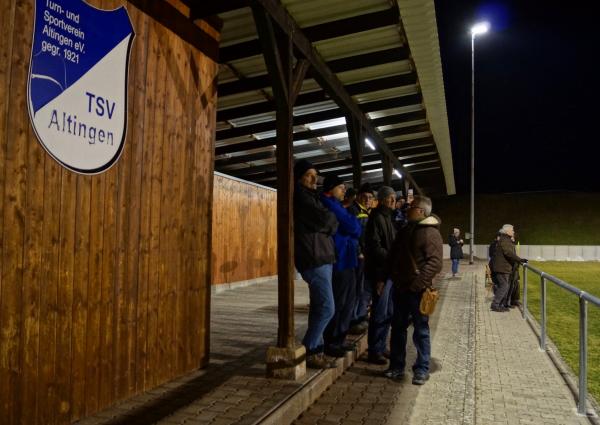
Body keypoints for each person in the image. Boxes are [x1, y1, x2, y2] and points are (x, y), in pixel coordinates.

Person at [385, 195, 443, 385]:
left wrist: (417, 284)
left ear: (420, 211)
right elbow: (395, 255)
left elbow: (435, 263)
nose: (407, 209)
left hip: (416, 291)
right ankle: (396, 367)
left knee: (421, 330)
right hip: (401, 288)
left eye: (411, 207)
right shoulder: (406, 229)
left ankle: (422, 368)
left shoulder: (429, 232)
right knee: (398, 329)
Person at [293, 159, 338, 369]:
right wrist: (329, 223)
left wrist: (329, 222)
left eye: (315, 175)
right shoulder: (302, 198)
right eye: (309, 175)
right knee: (328, 307)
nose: (314, 179)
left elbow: (331, 220)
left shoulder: (313, 197)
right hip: (314, 257)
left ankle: (317, 351)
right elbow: (327, 220)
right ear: (299, 177)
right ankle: (309, 347)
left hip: (322, 256)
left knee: (319, 307)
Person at [319, 175, 362, 358]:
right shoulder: (328, 203)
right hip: (340, 260)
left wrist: (352, 226)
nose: (344, 191)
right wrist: (352, 226)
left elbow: (355, 227)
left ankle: (340, 338)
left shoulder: (336, 204)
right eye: (341, 187)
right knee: (339, 301)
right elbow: (353, 227)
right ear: (331, 188)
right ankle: (332, 340)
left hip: (349, 258)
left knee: (348, 301)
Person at [364, 186, 397, 364]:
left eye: (394, 198)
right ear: (383, 200)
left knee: (388, 313)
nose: (393, 201)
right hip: (380, 273)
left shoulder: (388, 218)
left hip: (388, 272)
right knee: (379, 312)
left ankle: (381, 346)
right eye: (390, 198)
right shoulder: (376, 218)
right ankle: (374, 350)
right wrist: (381, 275)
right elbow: (374, 247)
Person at [347, 183, 375, 334]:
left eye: (370, 197)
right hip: (358, 256)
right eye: (365, 196)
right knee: (356, 287)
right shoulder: (354, 210)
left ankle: (359, 315)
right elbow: (353, 234)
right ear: (358, 196)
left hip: (366, 256)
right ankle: (353, 319)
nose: (367, 199)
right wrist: (359, 251)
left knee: (363, 287)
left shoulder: (367, 212)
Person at [490, 224, 527, 312]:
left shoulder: (505, 239)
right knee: (504, 286)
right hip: (502, 268)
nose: (513, 232)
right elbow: (508, 253)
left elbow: (510, 252)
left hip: (503, 267)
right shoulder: (505, 240)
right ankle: (495, 304)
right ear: (507, 231)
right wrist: (520, 260)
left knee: (505, 286)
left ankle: (501, 304)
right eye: (512, 230)